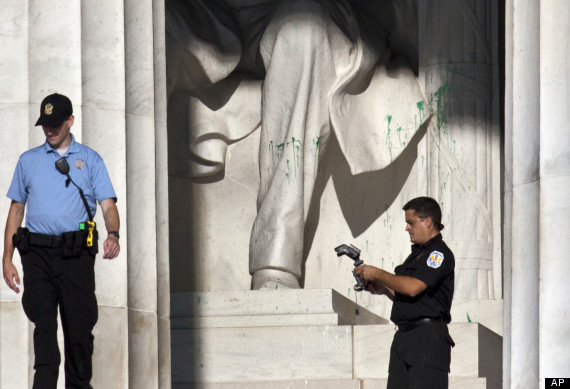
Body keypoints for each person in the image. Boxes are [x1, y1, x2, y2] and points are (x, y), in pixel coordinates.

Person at [166, 0, 431, 289]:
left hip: (309, 14)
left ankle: (275, 260)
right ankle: (123, 283)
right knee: (133, 24)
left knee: (301, 27)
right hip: (207, 15)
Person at [2, 93, 120, 388]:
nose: (50, 130)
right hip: (38, 255)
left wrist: (113, 234)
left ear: (70, 121)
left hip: (76, 256)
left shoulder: (90, 160)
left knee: (79, 334)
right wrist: (7, 258)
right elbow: (16, 210)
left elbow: (107, 205)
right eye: (45, 124)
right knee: (44, 330)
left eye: (56, 123)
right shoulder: (28, 161)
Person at [354, 196, 455, 389]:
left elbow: (413, 287)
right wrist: (384, 288)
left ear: (427, 222)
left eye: (410, 222)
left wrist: (377, 273)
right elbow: (412, 295)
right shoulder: (416, 256)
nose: (407, 228)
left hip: (427, 338)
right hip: (404, 337)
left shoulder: (438, 254)